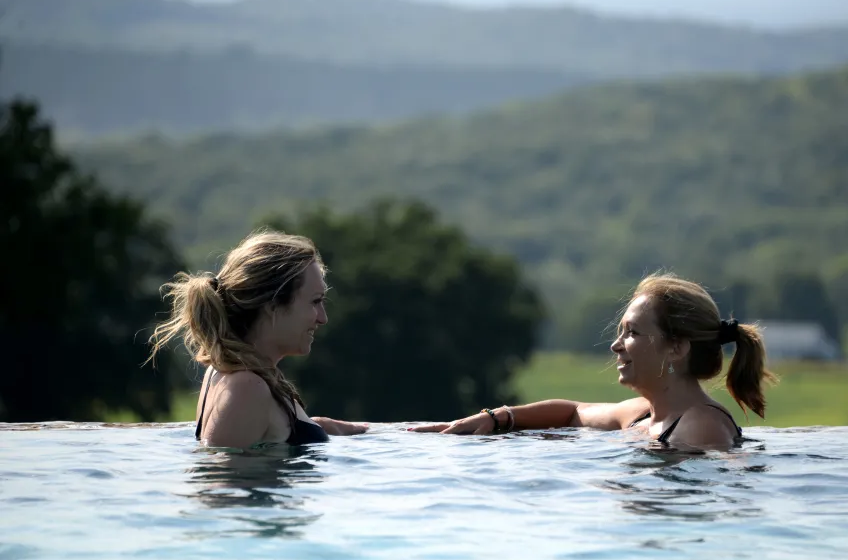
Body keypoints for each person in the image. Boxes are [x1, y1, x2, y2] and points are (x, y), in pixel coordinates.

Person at [411, 272, 776, 451]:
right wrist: (497, 418)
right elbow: (572, 412)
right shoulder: (642, 413)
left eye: (632, 333)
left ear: (677, 348)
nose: (617, 346)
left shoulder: (700, 426)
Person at [146, 229, 368, 449]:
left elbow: (261, 436)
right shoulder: (247, 388)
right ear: (272, 305)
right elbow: (223, 479)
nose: (323, 318)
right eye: (315, 301)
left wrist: (317, 427)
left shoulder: (230, 373)